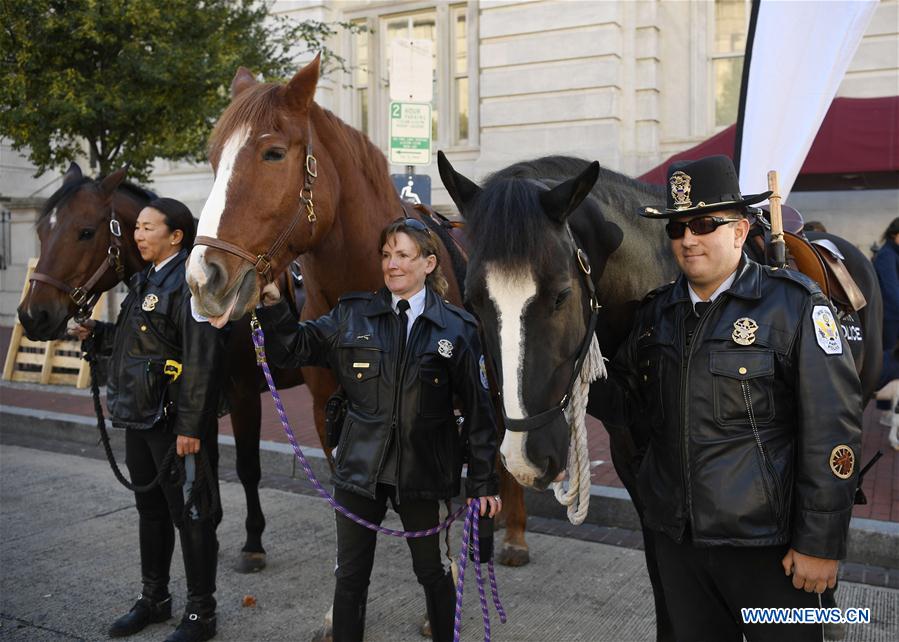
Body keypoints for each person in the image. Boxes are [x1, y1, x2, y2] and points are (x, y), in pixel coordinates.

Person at [591, 156, 862, 641]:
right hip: (679, 548)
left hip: (768, 552)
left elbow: (834, 434)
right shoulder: (656, 316)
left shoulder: (795, 306)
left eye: (703, 223)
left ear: (739, 231)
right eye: (676, 228)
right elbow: (633, 414)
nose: (688, 238)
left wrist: (821, 543)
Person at [256, 217, 500, 642]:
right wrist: (274, 303)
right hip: (358, 471)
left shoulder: (458, 329)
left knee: (433, 571)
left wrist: (484, 483)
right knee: (350, 575)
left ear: (428, 263)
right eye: (386, 255)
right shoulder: (352, 315)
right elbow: (293, 347)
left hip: (424, 474)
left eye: (403, 255)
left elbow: (480, 414)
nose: (392, 265)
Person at [71, 198, 226, 642]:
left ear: (176, 236)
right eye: (137, 228)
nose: (138, 236)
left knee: (192, 514)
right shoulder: (143, 280)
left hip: (175, 419)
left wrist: (192, 427)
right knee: (151, 510)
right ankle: (154, 598)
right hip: (140, 416)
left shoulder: (195, 281)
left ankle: (201, 613)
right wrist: (97, 334)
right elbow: (137, 343)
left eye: (147, 228)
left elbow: (203, 358)